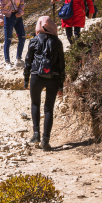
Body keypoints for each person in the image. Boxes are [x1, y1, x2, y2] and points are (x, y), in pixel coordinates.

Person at [24, 15, 65, 151]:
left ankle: (36, 134)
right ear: (52, 26)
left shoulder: (33, 41)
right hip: (53, 78)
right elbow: (61, 65)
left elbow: (28, 62)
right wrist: (61, 85)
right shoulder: (57, 42)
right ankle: (45, 141)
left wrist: (25, 79)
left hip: (36, 76)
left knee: (35, 103)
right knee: (48, 109)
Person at [0, 0, 27, 69]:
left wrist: (20, 12)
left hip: (17, 16)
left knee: (22, 37)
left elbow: (22, 2)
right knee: (8, 40)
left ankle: (18, 59)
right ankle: (7, 62)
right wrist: (0, 18)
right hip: (8, 17)